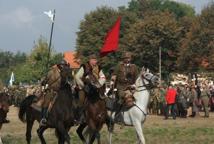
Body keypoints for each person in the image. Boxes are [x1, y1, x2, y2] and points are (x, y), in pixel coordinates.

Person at [74, 54, 106, 122]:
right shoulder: (84, 67)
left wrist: (98, 85)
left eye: (96, 60)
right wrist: (83, 86)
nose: (95, 61)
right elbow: (77, 77)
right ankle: (78, 117)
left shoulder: (98, 68)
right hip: (83, 87)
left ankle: (104, 114)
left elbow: (103, 77)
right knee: (81, 99)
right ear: (90, 60)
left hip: (95, 87)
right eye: (94, 60)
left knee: (103, 98)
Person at [40, 59, 70, 126]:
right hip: (51, 90)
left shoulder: (65, 73)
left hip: (61, 91)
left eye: (64, 65)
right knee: (47, 102)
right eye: (62, 65)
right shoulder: (52, 72)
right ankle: (43, 118)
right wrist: (44, 82)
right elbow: (45, 80)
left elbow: (66, 82)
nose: (63, 66)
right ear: (59, 65)